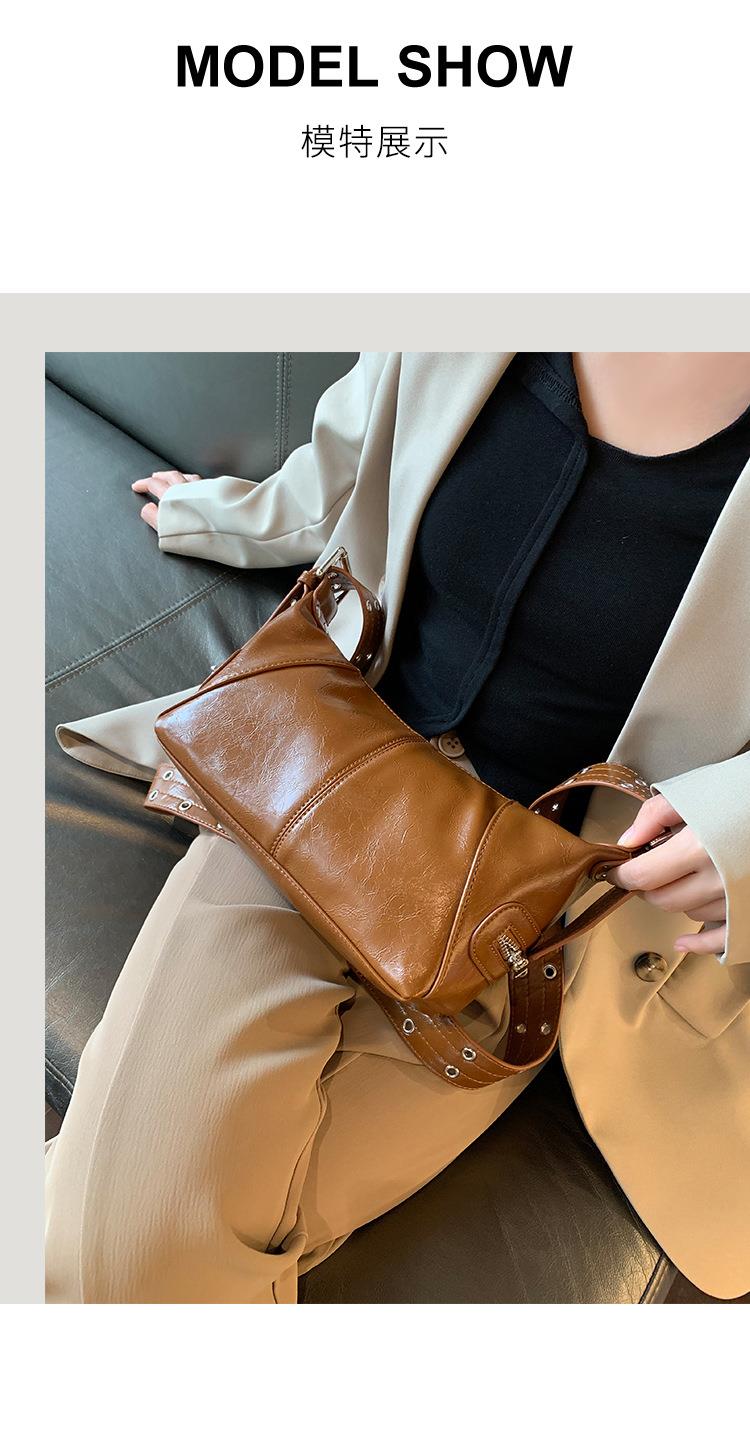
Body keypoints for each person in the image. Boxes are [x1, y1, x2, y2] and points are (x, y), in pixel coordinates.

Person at [45, 352, 750, 1303]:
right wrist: (223, 514)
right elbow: (354, 456)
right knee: (128, 1260)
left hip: (555, 907)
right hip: (325, 778)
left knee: (123, 1259)